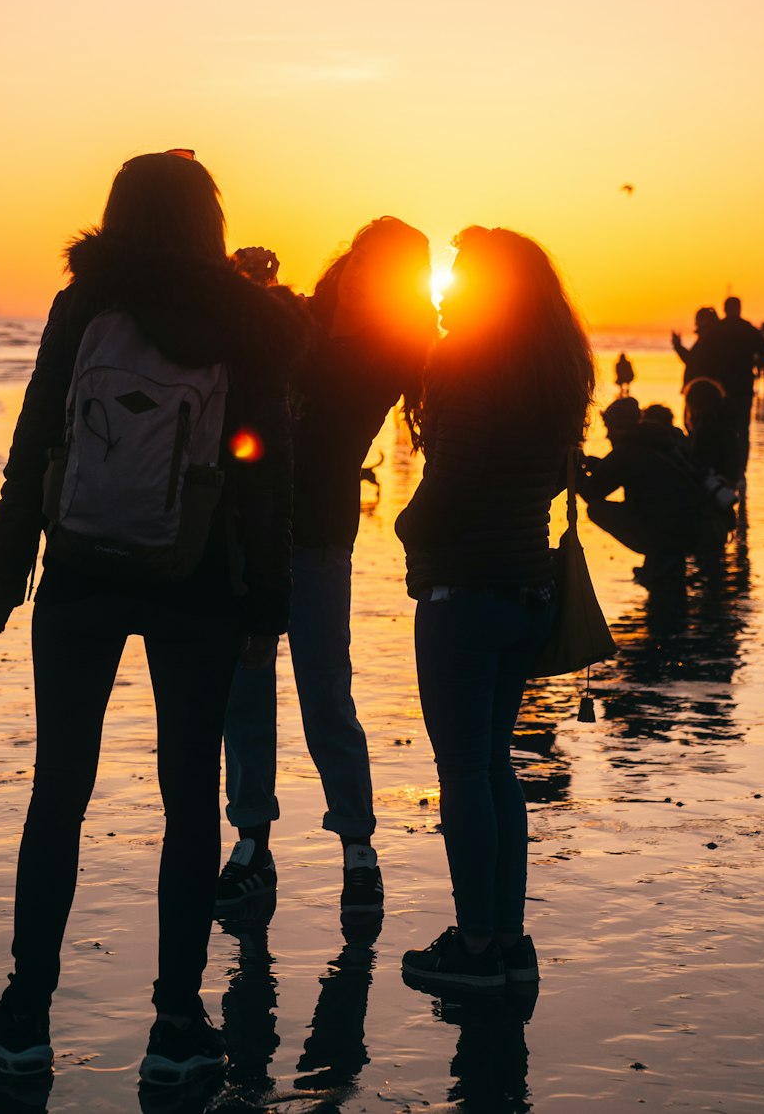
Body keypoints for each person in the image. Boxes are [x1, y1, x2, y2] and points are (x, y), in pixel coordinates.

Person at [0, 152, 307, 1085]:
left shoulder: (84, 306)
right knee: (189, 797)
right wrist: (267, 602)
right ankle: (176, 1024)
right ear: (210, 223)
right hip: (198, 581)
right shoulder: (246, 323)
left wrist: (2, 569)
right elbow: (270, 468)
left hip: (77, 570)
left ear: (117, 216)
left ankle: (25, 1013)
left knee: (60, 791)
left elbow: (38, 434)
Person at [395, 227, 594, 994]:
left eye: (464, 274)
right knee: (495, 768)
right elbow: (544, 476)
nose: (449, 287)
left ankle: (476, 946)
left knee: (465, 772)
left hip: (465, 593)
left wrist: (410, 529)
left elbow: (455, 475)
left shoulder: (469, 359)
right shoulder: (551, 367)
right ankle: (505, 940)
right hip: (527, 588)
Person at [220, 217, 436, 924]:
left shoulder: (394, 349)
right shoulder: (296, 315)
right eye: (369, 259)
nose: (371, 275)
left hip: (319, 536)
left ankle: (357, 845)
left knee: (326, 695)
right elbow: (235, 344)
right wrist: (246, 281)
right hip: (248, 522)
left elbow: (454, 399)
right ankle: (253, 842)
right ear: (353, 258)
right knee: (245, 688)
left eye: (392, 272)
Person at [579, 395, 714, 586]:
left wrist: (574, 469)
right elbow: (633, 470)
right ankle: (663, 558)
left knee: (596, 509)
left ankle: (659, 554)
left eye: (609, 428)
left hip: (669, 531)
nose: (607, 435)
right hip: (692, 528)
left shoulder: (627, 450)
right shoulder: (657, 440)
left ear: (619, 428)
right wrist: (596, 465)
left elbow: (591, 492)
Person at [713, 297, 764, 479]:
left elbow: (706, 355)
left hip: (721, 387)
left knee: (722, 427)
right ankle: (741, 470)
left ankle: (725, 468)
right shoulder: (747, 328)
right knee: (743, 430)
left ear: (725, 309)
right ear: (739, 309)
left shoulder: (717, 329)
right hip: (743, 384)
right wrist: (755, 364)